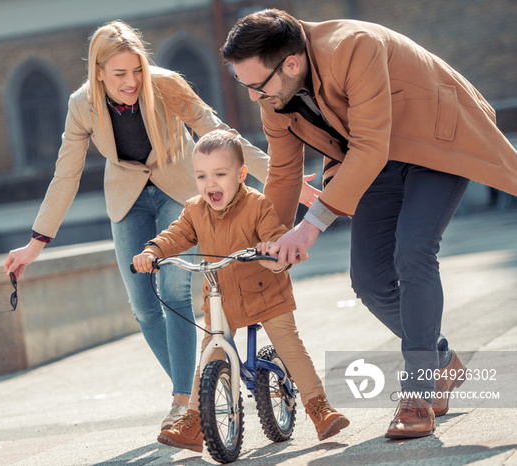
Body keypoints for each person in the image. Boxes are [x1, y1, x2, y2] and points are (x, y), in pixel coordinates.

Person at [220, 9, 517, 439]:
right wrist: (270, 243)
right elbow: (284, 173)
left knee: (414, 250)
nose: (251, 97)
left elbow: (370, 144)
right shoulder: (273, 97)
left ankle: (418, 393)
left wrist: (311, 226)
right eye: (241, 84)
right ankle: (441, 360)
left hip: (436, 141)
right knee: (371, 281)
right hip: (374, 163)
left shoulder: (354, 46)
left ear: (291, 63)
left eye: (257, 85)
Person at [3, 20, 272, 432]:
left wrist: (274, 175)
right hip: (127, 198)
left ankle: (185, 405)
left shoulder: (165, 86)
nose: (132, 82)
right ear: (98, 72)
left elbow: (217, 132)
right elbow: (66, 175)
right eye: (119, 74)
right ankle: (199, 390)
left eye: (137, 71)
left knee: (174, 291)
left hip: (177, 190)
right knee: (144, 307)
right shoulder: (82, 105)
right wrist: (35, 244)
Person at [132, 130, 349, 452]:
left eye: (220, 174)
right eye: (202, 176)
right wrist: (152, 251)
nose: (211, 184)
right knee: (210, 356)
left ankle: (319, 407)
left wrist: (272, 250)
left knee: (288, 343)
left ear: (241, 174)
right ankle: (193, 422)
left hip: (265, 292)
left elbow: (276, 237)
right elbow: (176, 235)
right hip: (221, 299)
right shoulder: (195, 209)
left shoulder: (257, 204)